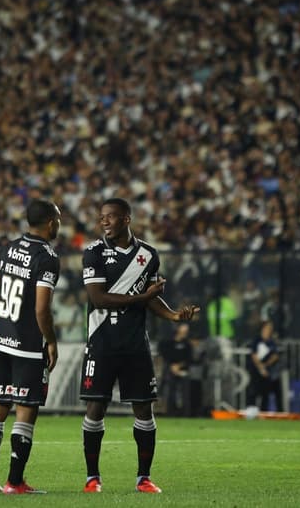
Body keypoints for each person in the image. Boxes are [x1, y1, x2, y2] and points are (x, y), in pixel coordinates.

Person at [79, 198, 199, 494]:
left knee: (144, 410)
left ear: (126, 219)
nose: (104, 221)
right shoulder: (93, 253)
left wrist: (172, 315)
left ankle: (143, 478)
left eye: (111, 216)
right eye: (101, 216)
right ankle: (92, 478)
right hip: (102, 341)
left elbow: (151, 296)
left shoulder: (148, 254)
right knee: (96, 407)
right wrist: (141, 298)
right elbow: (99, 298)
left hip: (135, 344)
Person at [0, 200, 62, 495]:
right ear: (51, 223)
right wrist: (51, 340)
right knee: (26, 410)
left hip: (3, 339)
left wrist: (6, 324)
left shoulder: (6, 249)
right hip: (28, 345)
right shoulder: (47, 257)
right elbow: (42, 309)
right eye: (59, 219)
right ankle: (15, 481)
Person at [158, 322, 193, 416]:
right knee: (170, 391)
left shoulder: (187, 344)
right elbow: (166, 355)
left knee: (185, 393)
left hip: (183, 370)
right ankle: (170, 413)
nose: (185, 332)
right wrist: (172, 366)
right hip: (170, 370)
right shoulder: (168, 342)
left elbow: (189, 359)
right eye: (183, 329)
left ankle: (186, 414)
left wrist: (179, 366)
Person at [247, 321, 281, 411]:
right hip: (256, 370)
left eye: (270, 328)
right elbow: (254, 355)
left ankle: (263, 411)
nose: (269, 330)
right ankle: (251, 410)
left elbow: (275, 355)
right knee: (253, 390)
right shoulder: (257, 340)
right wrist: (261, 367)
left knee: (266, 392)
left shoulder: (271, 342)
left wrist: (266, 365)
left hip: (267, 371)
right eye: (267, 328)